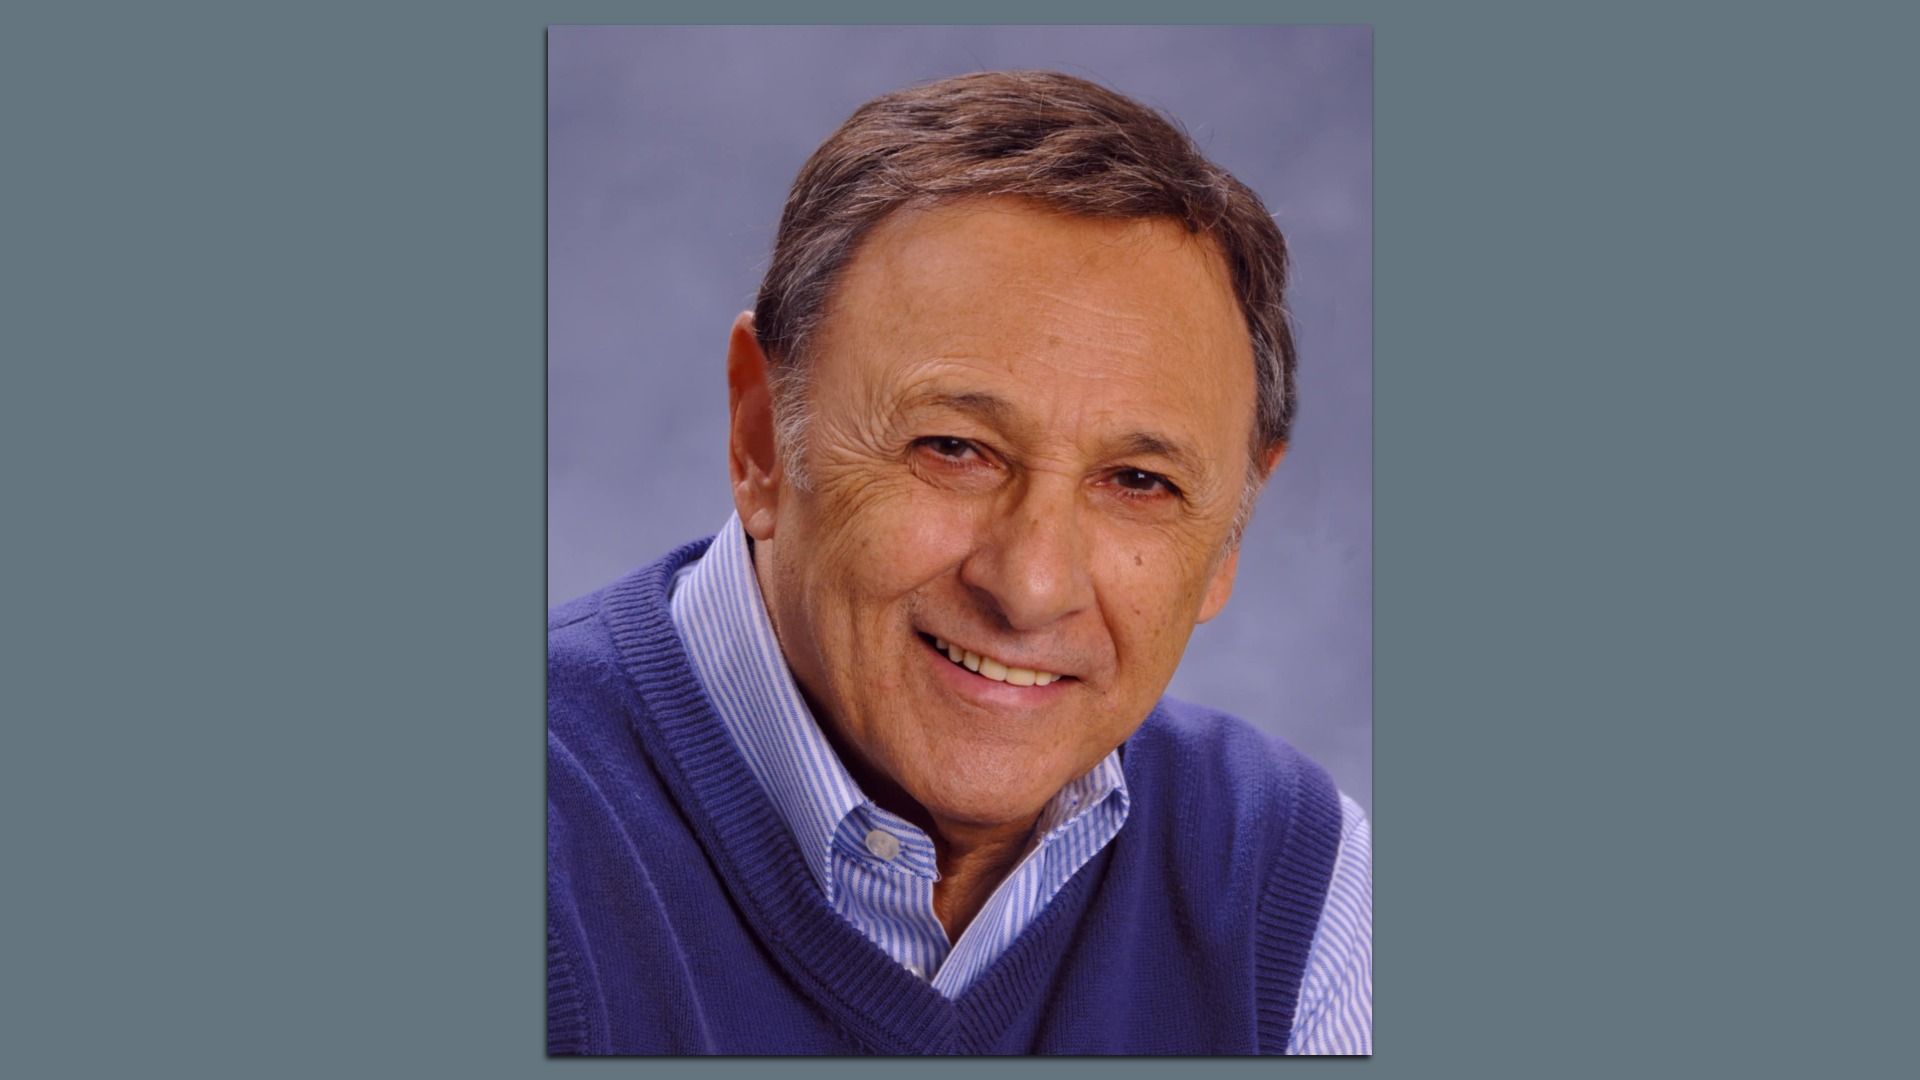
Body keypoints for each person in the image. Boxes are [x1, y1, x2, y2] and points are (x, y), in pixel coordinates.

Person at [546, 70, 1371, 1055]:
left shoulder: (1297, 887)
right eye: (953, 450)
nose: (1029, 587)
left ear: (1232, 529)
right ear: (762, 437)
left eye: (1139, 481)